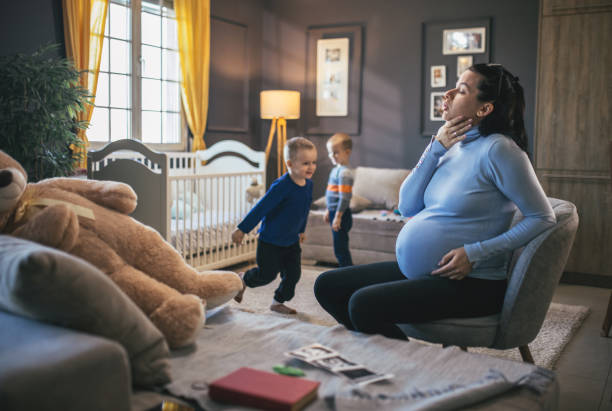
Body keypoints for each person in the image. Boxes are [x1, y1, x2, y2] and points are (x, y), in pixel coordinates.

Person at [314, 64, 556, 340]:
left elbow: (543, 217)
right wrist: (434, 149)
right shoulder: (451, 145)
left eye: (462, 90)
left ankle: (404, 367)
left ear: (484, 109)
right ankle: (387, 356)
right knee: (327, 285)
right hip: (429, 273)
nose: (448, 93)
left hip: (473, 284)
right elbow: (406, 206)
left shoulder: (499, 150)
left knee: (363, 304)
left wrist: (475, 252)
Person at [231, 137, 317, 314]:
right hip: (270, 241)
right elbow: (261, 208)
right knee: (266, 275)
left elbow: (304, 209)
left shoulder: (309, 185)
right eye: (305, 163)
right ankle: (244, 279)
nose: (311, 167)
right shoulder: (282, 186)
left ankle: (278, 301)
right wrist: (242, 229)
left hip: (291, 241)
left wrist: (301, 230)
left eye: (313, 162)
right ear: (290, 164)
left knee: (293, 275)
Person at [324, 132, 354, 267]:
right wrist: (327, 209)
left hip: (341, 214)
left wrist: (337, 216)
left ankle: (348, 274)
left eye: (336, 153)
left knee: (340, 249)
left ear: (347, 152)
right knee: (338, 247)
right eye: (330, 153)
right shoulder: (335, 170)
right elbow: (332, 195)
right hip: (333, 212)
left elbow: (345, 197)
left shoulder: (344, 173)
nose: (332, 156)